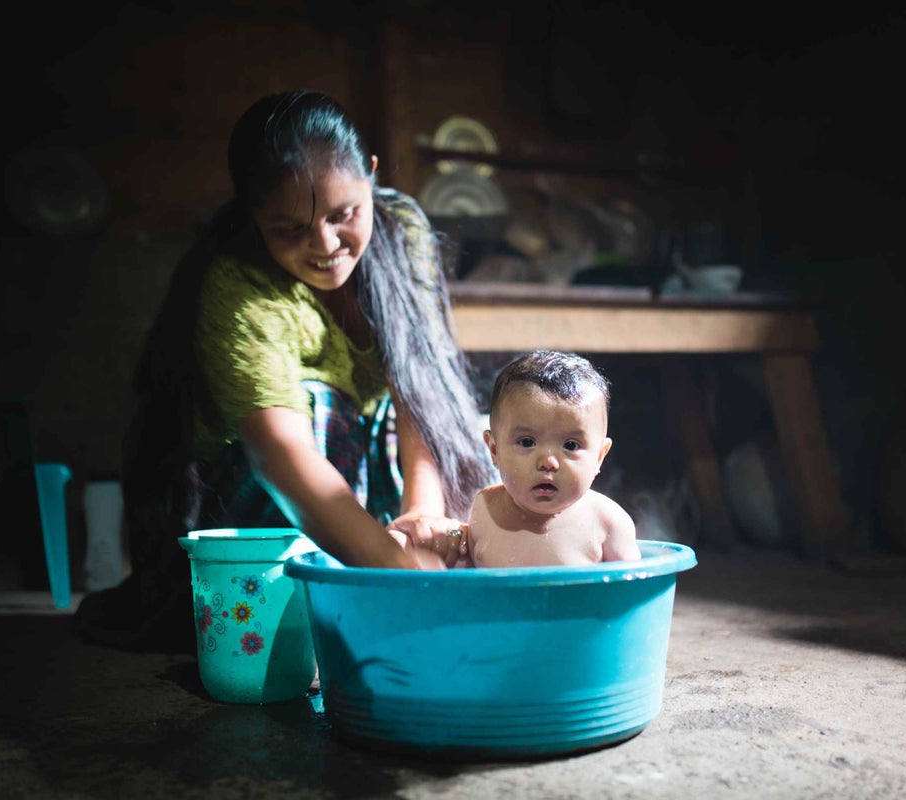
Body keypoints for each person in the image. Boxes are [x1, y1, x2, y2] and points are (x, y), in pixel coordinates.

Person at [75, 89, 494, 650]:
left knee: (476, 436)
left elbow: (420, 387)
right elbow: (283, 456)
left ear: (370, 176)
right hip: (263, 494)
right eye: (290, 229)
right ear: (253, 215)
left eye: (344, 215)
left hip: (362, 489)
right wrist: (401, 571)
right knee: (319, 406)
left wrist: (423, 513)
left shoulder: (401, 228)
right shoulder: (236, 286)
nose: (325, 246)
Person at [463, 350, 641, 567]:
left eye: (570, 445)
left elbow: (633, 593)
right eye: (527, 442)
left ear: (599, 457)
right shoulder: (484, 509)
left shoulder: (608, 523)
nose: (548, 462)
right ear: (494, 451)